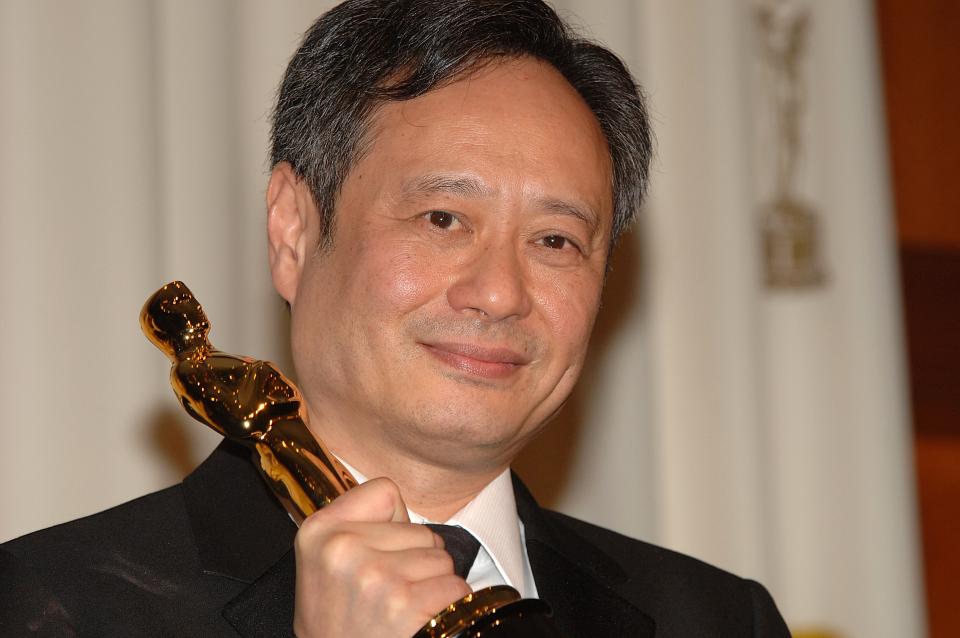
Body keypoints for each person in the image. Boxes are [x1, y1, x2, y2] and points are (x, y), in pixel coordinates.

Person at [0, 1, 791, 636]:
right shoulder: (53, 604)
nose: (500, 292)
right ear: (293, 231)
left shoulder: (719, 618)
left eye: (555, 240)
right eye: (443, 219)